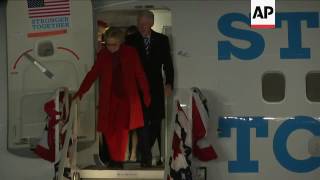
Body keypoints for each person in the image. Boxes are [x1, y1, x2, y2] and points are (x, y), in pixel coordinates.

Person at [73, 27, 151, 168]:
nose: (110, 48)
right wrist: (80, 92)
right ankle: (115, 159)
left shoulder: (130, 53)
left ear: (121, 42)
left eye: (114, 44)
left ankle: (117, 161)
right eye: (108, 44)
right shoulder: (103, 55)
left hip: (126, 100)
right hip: (109, 99)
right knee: (108, 130)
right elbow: (92, 74)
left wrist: (146, 94)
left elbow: (140, 74)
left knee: (121, 130)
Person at [126, 10, 174, 167]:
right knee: (142, 123)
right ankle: (145, 158)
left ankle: (143, 151)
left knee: (155, 122)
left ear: (152, 24)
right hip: (137, 88)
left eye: (145, 24)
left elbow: (168, 64)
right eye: (140, 24)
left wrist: (169, 83)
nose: (142, 27)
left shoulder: (162, 40)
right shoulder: (130, 40)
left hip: (155, 87)